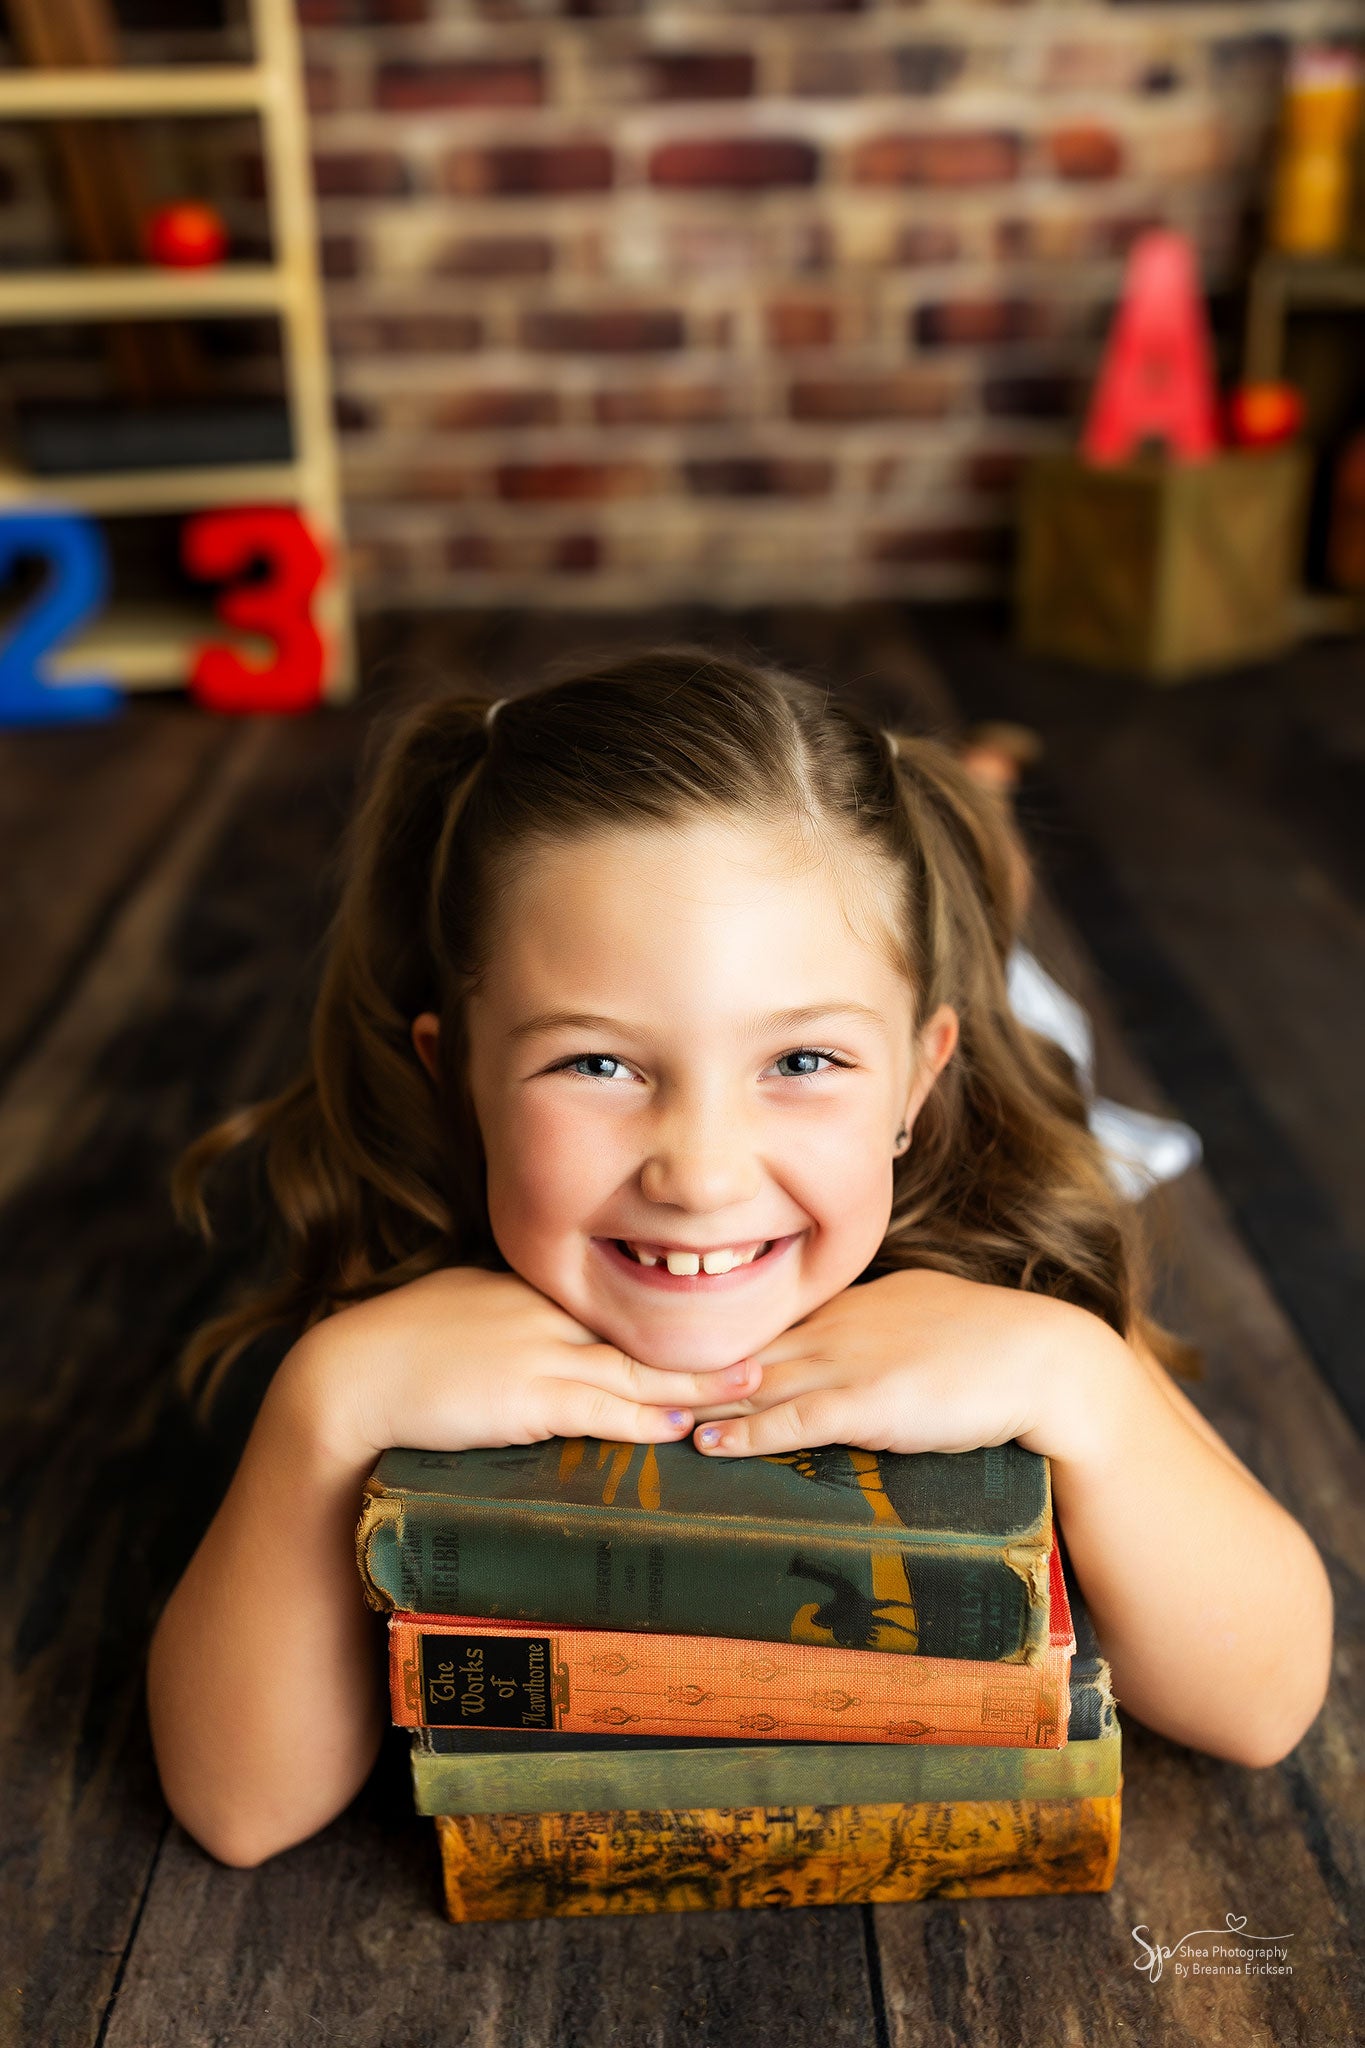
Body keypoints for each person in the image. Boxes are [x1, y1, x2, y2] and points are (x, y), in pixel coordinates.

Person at [147, 647, 1332, 1869]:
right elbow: (240, 1810)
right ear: (455, 1079)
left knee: (1017, 988)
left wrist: (1088, 1381)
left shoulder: (1001, 1252)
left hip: (988, 1075)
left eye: (802, 1061)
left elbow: (1264, 1704)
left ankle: (978, 812)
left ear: (916, 1082)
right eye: (596, 1063)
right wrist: (320, 1407)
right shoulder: (411, 1290)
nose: (702, 1174)